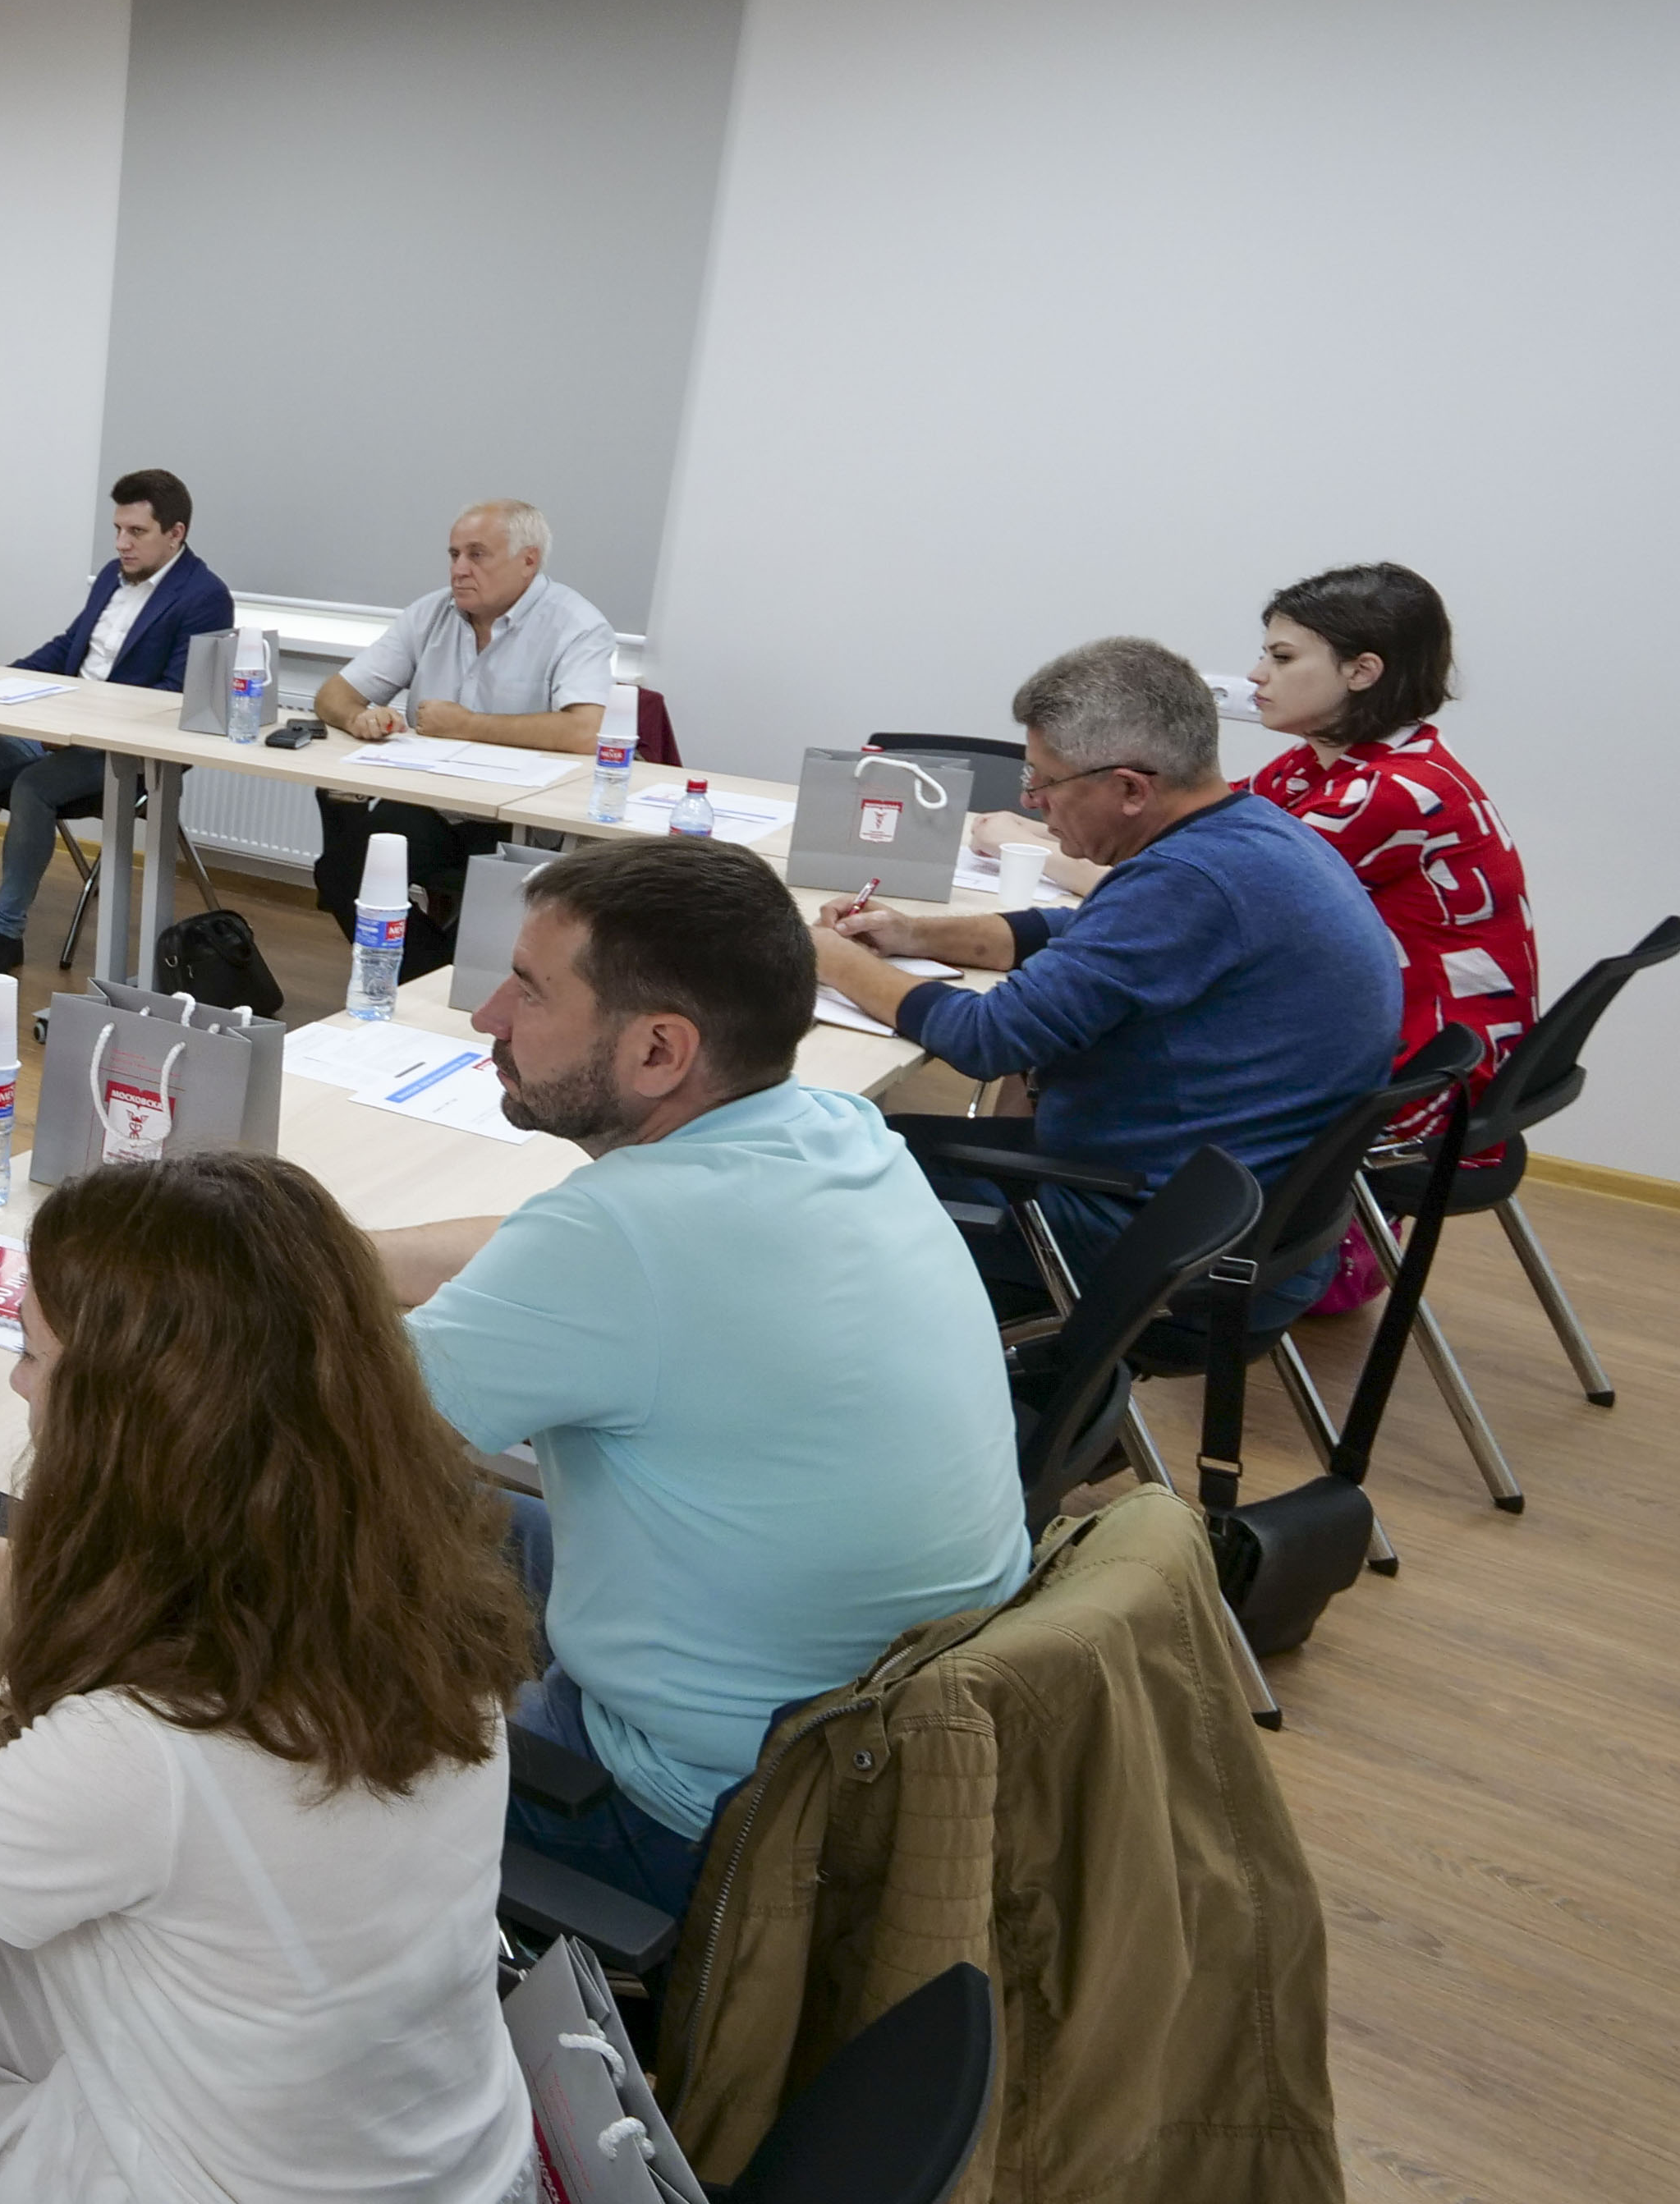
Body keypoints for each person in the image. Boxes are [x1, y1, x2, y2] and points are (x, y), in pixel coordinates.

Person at [0, 1155, 535, 2204]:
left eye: (31, 1354)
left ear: (128, 1417)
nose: (18, 1384)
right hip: (436, 2147)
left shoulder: (142, 1750)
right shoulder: (412, 1587)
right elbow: (191, 1617)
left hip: (238, 2187)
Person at [370, 838, 1033, 1914]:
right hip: (889, 1755)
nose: (490, 1016)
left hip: (696, 1822)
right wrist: (325, 1251)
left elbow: (320, 1430)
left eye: (529, 991)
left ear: (659, 1050)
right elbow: (540, 1249)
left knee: (270, 1614)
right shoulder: (833, 1129)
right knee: (455, 1519)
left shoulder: (616, 1239)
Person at [819, 636, 1399, 1308]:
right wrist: (916, 935)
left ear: (1129, 788)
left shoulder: (1191, 879)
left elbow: (987, 1039)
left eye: (1045, 781)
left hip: (1148, 1238)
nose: (1031, 801)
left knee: (822, 1177)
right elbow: (1077, 930)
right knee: (869, 1145)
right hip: (1224, 1209)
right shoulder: (1248, 832)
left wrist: (833, 960)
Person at [967, 563, 1534, 1147]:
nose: (1257, 674)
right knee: (1073, 1009)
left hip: (1411, 1089)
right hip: (1366, 1043)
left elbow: (1190, 890)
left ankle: (1014, 1176)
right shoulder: (1320, 764)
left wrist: (1025, 845)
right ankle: (1013, 1168)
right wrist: (1044, 831)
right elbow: (1189, 837)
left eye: (1283, 658)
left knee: (1081, 1023)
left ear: (1362, 671)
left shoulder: (1385, 793)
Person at [0, 470, 232, 979]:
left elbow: (174, 699)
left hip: (126, 752)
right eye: (118, 529)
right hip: (61, 728)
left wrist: (70, 719)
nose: (121, 543)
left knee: (33, 787)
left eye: (136, 532)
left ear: (175, 533)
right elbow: (70, 647)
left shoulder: (205, 596)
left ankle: (4, 934)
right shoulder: (113, 575)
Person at [306, 500, 616, 968]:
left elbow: (586, 731)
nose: (459, 569)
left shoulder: (576, 625)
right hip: (433, 803)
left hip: (519, 817)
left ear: (528, 561)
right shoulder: (430, 614)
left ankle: (450, 979)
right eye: (454, 555)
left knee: (495, 920)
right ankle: (427, 979)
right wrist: (358, 719)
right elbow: (334, 694)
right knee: (344, 872)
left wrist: (469, 727)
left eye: (477, 555)